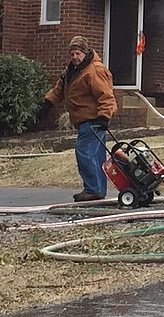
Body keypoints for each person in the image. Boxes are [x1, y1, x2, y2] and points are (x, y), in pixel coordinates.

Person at [38, 35, 116, 202]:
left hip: (94, 120)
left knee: (84, 152)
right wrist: (47, 103)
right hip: (84, 120)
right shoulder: (71, 71)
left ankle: (92, 189)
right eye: (72, 54)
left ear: (85, 52)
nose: (74, 57)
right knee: (96, 156)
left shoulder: (95, 70)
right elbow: (59, 89)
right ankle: (98, 191)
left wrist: (104, 116)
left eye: (77, 53)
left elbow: (106, 95)